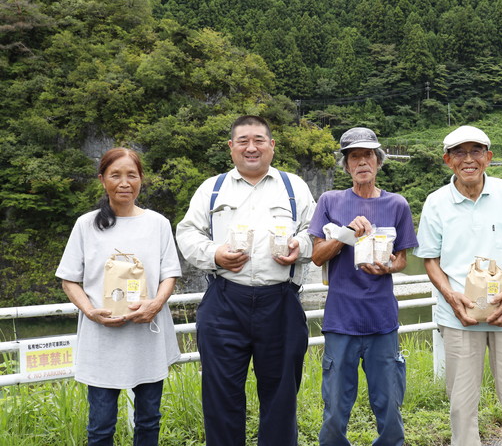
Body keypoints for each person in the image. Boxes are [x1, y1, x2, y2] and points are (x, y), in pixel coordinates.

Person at [176, 115, 314, 445]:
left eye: (259, 140)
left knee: (281, 396)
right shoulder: (212, 188)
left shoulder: (294, 187)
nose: (251, 148)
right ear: (231, 147)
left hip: (281, 300)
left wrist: (300, 246)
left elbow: (315, 233)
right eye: (243, 141)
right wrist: (215, 254)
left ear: (271, 146)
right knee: (221, 395)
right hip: (224, 301)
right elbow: (187, 232)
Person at [414, 125, 502, 446]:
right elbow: (430, 259)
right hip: (460, 316)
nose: (468, 160)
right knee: (462, 407)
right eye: (459, 153)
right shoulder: (436, 202)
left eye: (475, 152)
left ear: (489, 157)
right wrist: (450, 296)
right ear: (447, 160)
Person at [56, 148, 181, 446]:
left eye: (131, 175)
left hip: (147, 336)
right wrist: (89, 310)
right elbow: (69, 279)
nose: (124, 183)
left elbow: (169, 275)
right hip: (103, 337)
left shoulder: (158, 223)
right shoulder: (86, 225)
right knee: (100, 425)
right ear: (102, 180)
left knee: (149, 420)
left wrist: (155, 304)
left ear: (141, 180)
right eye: (115, 175)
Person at [308, 127, 418, 446]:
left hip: (382, 320)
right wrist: (345, 234)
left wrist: (387, 267)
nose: (362, 162)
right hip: (340, 320)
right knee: (335, 408)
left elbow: (401, 259)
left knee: (389, 405)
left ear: (378, 161)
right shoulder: (330, 201)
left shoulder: (397, 204)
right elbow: (316, 257)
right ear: (346, 165)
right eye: (354, 156)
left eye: (368, 155)